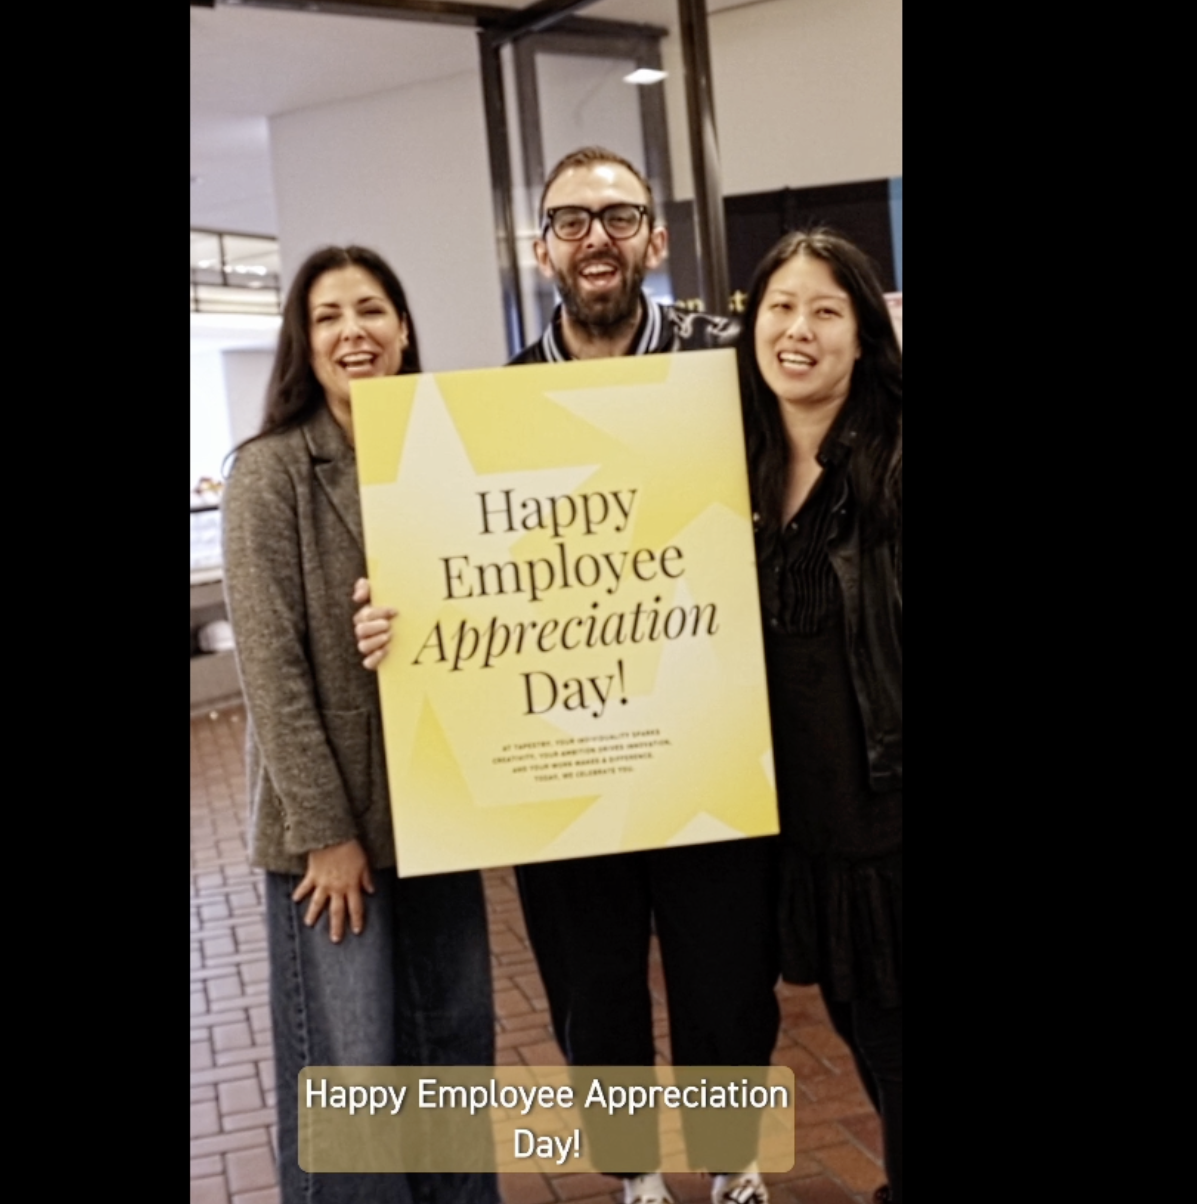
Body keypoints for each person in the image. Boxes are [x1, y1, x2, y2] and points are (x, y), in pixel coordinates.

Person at [355, 148, 778, 1204]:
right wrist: (395, 619)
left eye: (619, 214)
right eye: (571, 220)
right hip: (562, 765)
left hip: (705, 740)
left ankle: (730, 1169)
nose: (597, 235)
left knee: (724, 974)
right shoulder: (485, 417)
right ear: (539, 248)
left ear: (656, 236)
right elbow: (459, 579)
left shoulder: (726, 373)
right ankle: (632, 1173)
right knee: (592, 986)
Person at [221, 245, 498, 1204]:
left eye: (373, 310)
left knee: (454, 1048)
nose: (354, 331)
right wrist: (326, 838)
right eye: (330, 315)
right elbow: (269, 668)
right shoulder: (269, 472)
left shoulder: (450, 456)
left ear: (405, 327)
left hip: (438, 811)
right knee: (357, 1076)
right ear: (305, 340)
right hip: (328, 827)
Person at [738, 228, 903, 1202]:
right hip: (808, 840)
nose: (796, 329)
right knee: (867, 1046)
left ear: (862, 332)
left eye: (824, 309)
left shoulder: (891, 462)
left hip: (891, 830)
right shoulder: (733, 472)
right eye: (779, 307)